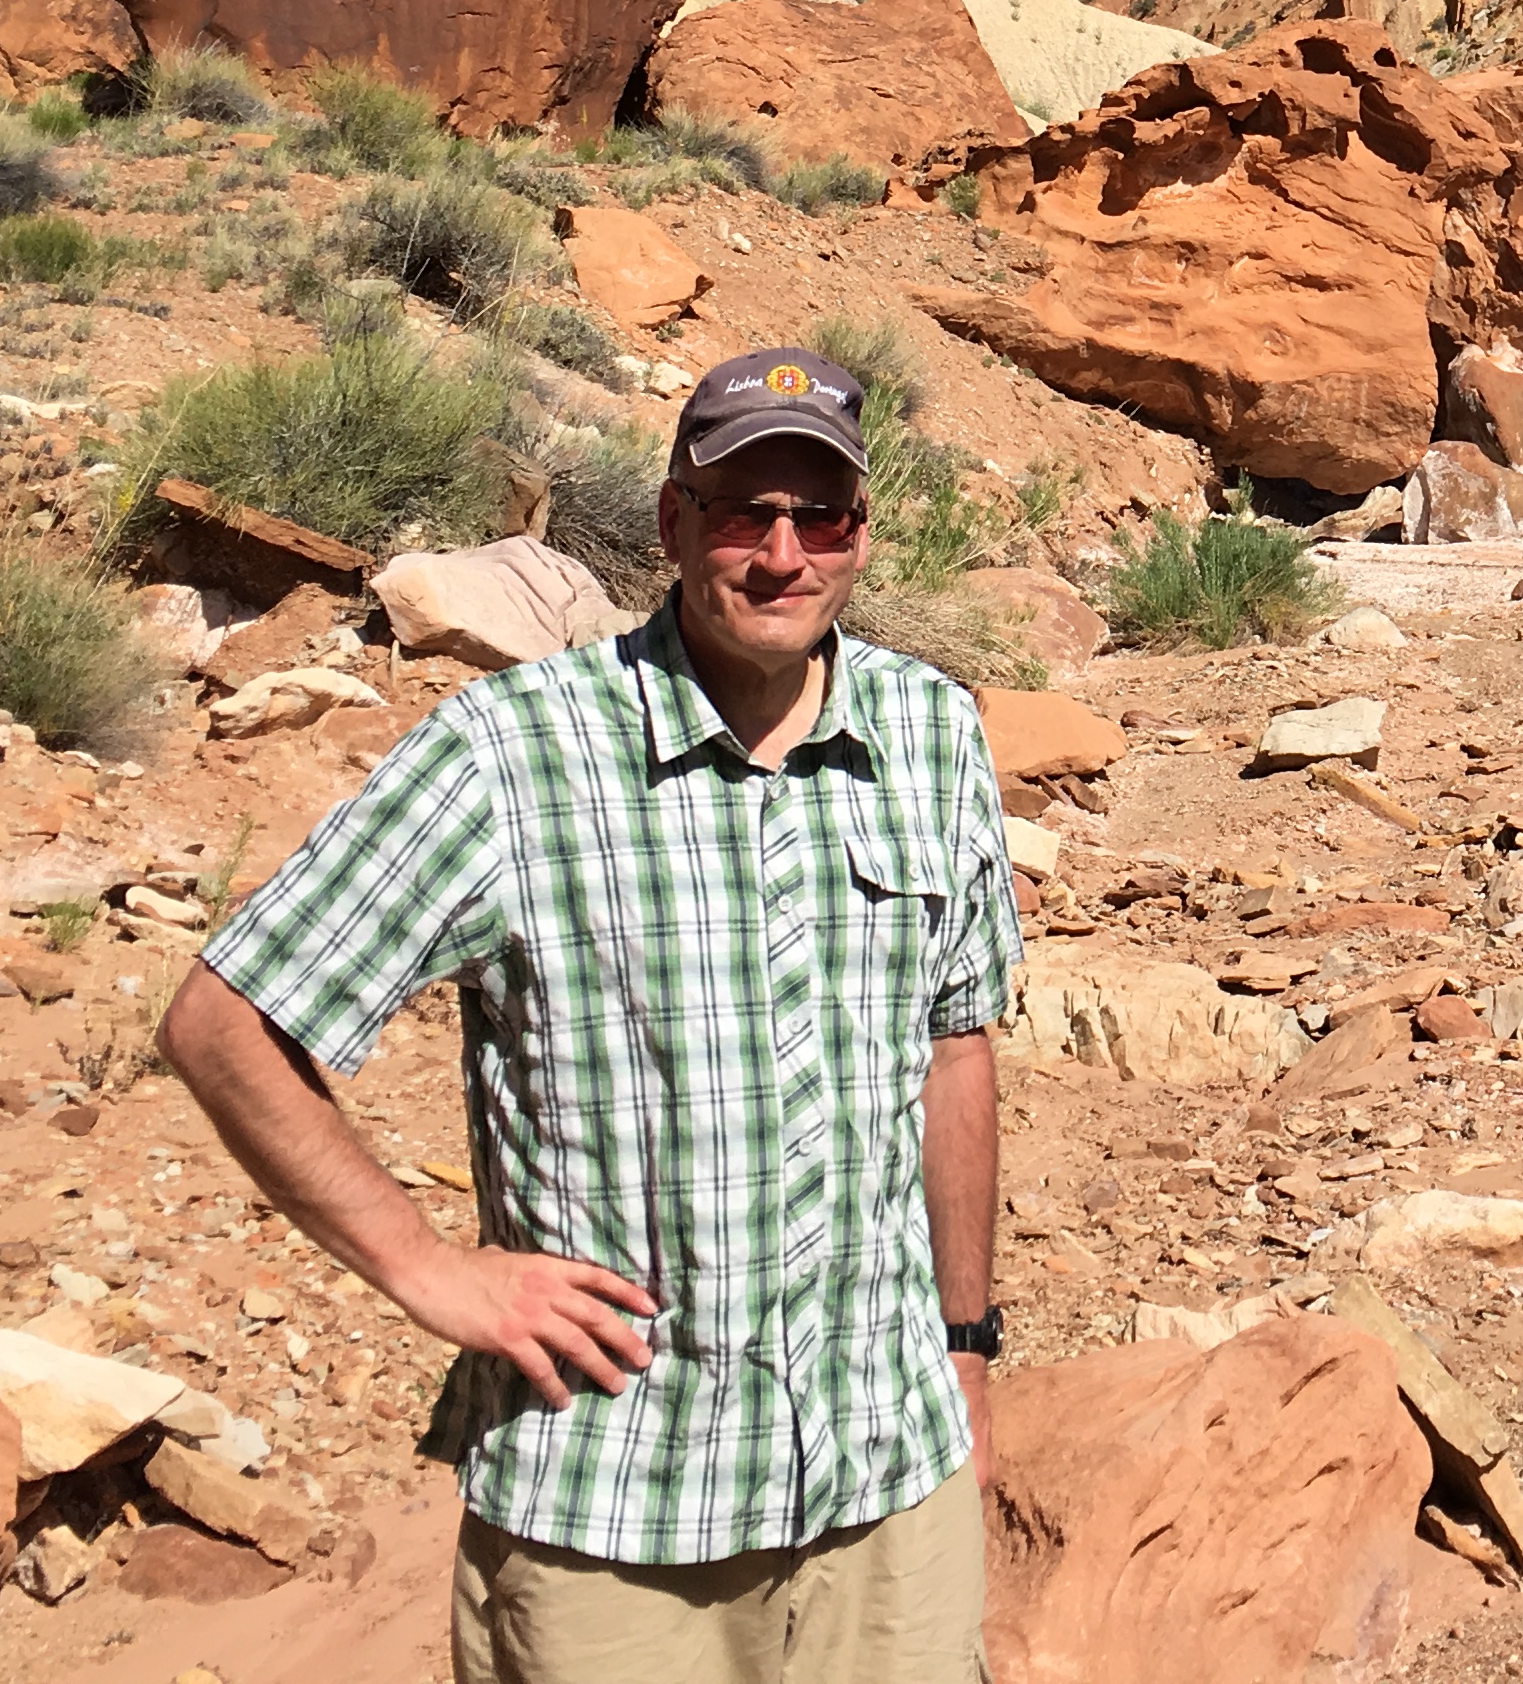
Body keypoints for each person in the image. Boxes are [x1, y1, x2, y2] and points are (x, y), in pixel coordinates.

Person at [160, 344, 1016, 1684]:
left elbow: (953, 1047)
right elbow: (226, 1024)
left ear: (859, 533)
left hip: (888, 1490)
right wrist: (428, 1269)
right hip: (621, 1512)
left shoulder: (933, 734)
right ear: (675, 524)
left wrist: (963, 1342)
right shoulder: (515, 752)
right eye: (743, 512)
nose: (781, 553)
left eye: (820, 514)